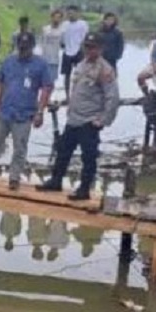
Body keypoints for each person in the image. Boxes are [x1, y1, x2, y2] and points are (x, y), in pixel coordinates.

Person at [37, 34, 119, 200]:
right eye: (87, 46)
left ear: (100, 49)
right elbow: (76, 88)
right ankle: (56, 180)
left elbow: (112, 98)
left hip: (89, 120)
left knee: (88, 156)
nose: (89, 50)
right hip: (73, 118)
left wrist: (103, 120)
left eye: (92, 47)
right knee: (63, 150)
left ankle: (84, 189)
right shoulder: (81, 65)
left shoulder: (105, 69)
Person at [0, 33, 53, 190]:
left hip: (24, 114)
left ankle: (14, 177)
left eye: (26, 48)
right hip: (5, 110)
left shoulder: (40, 65)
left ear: (32, 47)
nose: (23, 51)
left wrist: (40, 111)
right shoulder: (8, 61)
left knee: (19, 147)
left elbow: (47, 87)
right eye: (20, 48)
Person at [61, 5, 89, 98]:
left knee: (81, 74)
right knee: (67, 75)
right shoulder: (64, 24)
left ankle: (80, 94)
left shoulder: (83, 24)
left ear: (77, 13)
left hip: (79, 51)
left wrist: (82, 49)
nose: (70, 15)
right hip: (67, 52)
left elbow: (85, 38)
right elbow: (61, 39)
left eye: (72, 13)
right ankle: (67, 96)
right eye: (69, 13)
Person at [40, 9, 65, 85]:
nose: (57, 19)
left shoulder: (62, 31)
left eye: (59, 17)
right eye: (55, 17)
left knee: (52, 82)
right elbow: (41, 42)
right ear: (51, 17)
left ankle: (50, 96)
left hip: (54, 60)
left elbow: (63, 44)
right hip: (44, 59)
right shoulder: (45, 29)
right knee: (42, 81)